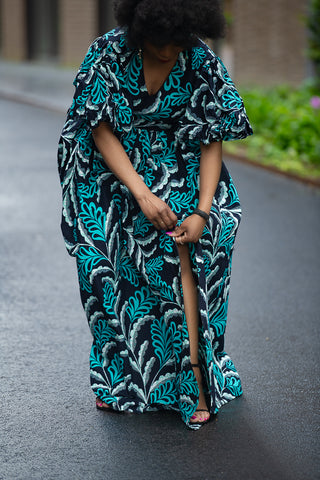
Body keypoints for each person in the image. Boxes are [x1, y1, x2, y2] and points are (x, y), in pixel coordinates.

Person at [57, 0, 252, 429]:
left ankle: (196, 378)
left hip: (180, 165)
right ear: (140, 25)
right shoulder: (108, 51)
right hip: (112, 170)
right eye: (159, 41)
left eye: (177, 42)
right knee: (103, 264)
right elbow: (97, 126)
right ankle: (121, 378)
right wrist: (141, 193)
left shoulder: (199, 57)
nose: (168, 51)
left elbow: (212, 137)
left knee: (192, 244)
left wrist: (202, 210)